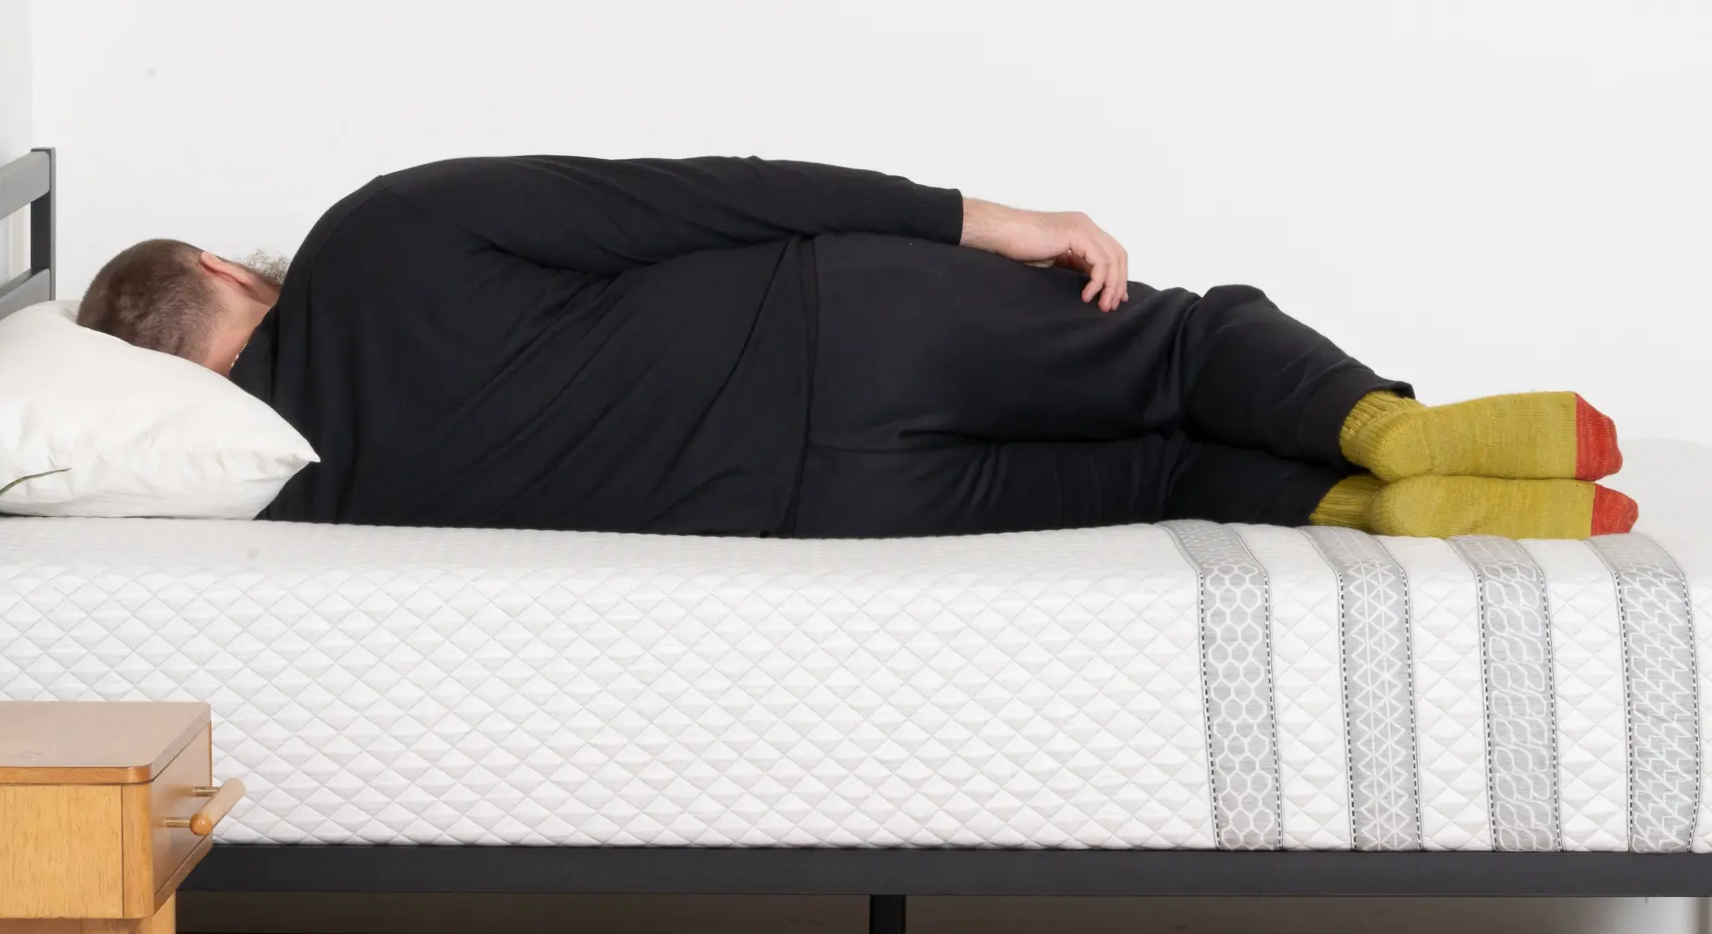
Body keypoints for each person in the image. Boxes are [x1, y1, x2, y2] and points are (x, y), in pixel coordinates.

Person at [77, 155, 1635, 539]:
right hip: (846, 328)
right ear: (221, 265)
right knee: (1186, 345)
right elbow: (699, 199)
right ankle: (1391, 431)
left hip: (825, 502)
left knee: (1163, 471)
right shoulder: (371, 238)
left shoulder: (283, 496)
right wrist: (987, 218)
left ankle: (1364, 507)